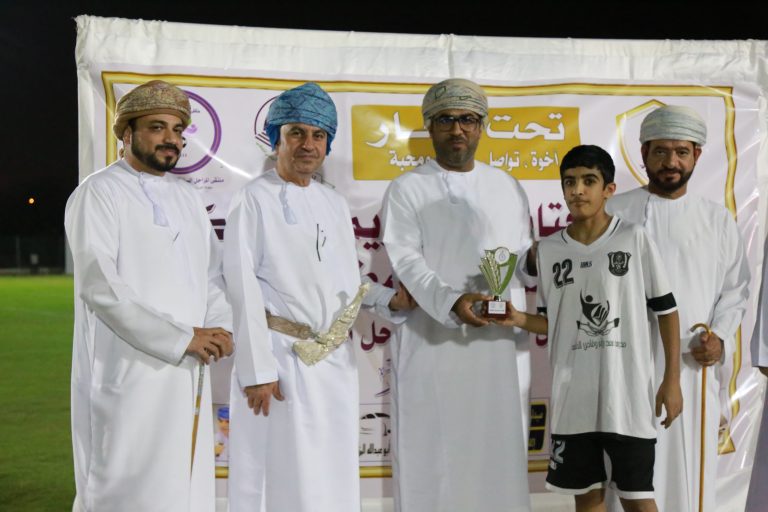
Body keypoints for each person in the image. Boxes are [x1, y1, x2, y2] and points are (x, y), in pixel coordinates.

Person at [65, 79, 234, 512]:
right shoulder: (98, 192)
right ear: (127, 133)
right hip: (128, 372)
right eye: (157, 127)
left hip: (188, 372)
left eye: (178, 130)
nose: (171, 139)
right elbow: (100, 287)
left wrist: (221, 328)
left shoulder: (188, 198)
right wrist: (181, 338)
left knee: (184, 488)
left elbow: (212, 276)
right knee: (126, 489)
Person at [224, 82, 387, 512]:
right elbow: (240, 286)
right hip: (280, 361)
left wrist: (392, 301)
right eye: (296, 132)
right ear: (276, 137)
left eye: (318, 135)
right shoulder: (252, 199)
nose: (308, 144)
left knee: (330, 475)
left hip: (335, 364)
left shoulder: (333, 202)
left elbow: (347, 282)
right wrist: (257, 370)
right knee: (278, 474)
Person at [497, 145, 682, 512]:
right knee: (587, 500)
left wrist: (671, 380)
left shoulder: (633, 237)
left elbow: (667, 311)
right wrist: (517, 318)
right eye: (569, 182)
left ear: (608, 189)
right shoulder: (549, 250)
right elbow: (553, 322)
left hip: (627, 399)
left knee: (638, 500)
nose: (577, 190)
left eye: (588, 181)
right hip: (573, 401)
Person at [380, 78, 533, 512]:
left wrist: (544, 259)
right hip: (432, 346)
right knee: (433, 457)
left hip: (497, 348)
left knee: (496, 454)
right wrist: (451, 302)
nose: (457, 129)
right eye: (446, 120)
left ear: (481, 126)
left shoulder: (507, 186)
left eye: (468, 119)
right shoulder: (406, 188)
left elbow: (519, 260)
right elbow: (407, 261)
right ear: (430, 127)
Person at [606, 105, 750, 512]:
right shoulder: (613, 213)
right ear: (643, 153)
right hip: (624, 368)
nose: (671, 162)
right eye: (661, 151)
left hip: (691, 367)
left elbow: (735, 290)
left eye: (682, 152)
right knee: (628, 479)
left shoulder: (717, 220)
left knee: (689, 476)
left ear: (697, 155)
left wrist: (719, 338)